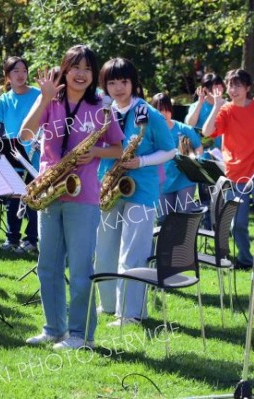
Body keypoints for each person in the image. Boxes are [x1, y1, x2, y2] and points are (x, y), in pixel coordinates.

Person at [20, 45, 124, 350]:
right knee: (48, 266)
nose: (81, 74)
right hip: (50, 190)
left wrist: (95, 152)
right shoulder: (51, 100)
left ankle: (81, 335)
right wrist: (45, 98)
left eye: (88, 69)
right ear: (64, 69)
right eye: (75, 67)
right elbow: (26, 134)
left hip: (84, 195)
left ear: (94, 75)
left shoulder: (101, 107)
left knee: (80, 269)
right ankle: (54, 328)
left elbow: (118, 149)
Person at [95, 59, 176, 324]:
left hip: (141, 190)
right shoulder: (103, 112)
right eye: (112, 82)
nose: (118, 88)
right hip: (108, 186)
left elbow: (170, 150)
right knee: (105, 248)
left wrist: (141, 161)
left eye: (124, 82)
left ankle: (130, 313)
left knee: (132, 252)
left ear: (134, 83)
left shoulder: (148, 113)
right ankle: (107, 304)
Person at [202, 68, 254, 274]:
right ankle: (245, 259)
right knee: (237, 223)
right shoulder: (226, 110)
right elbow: (205, 133)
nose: (233, 89)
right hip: (235, 174)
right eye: (230, 85)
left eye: (238, 85)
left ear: (248, 88)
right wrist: (216, 107)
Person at [0, 56, 40, 253]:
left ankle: (31, 240)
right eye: (16, 71)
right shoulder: (5, 99)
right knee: (13, 198)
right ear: (7, 76)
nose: (21, 75)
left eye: (24, 70)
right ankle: (12, 238)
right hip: (13, 154)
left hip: (36, 155)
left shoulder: (38, 95)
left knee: (34, 199)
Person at [185, 73, 226, 229]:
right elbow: (189, 124)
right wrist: (200, 103)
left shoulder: (226, 104)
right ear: (205, 89)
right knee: (206, 195)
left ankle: (221, 227)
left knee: (222, 194)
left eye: (218, 85)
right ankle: (208, 226)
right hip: (204, 157)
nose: (216, 90)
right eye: (211, 87)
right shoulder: (198, 105)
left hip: (223, 156)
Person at [151, 92, 202, 217]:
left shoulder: (185, 129)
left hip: (185, 180)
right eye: (159, 111)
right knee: (164, 219)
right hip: (162, 182)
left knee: (183, 217)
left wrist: (194, 160)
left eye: (166, 110)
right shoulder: (149, 133)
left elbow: (199, 148)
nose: (163, 114)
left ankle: (184, 238)